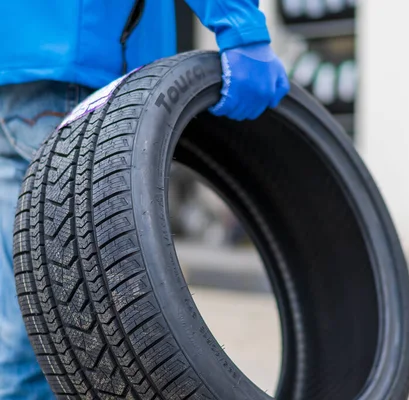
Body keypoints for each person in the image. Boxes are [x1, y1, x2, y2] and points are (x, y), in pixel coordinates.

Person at [0, 1, 289, 398]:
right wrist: (241, 27)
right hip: (86, 67)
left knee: (26, 329)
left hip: (18, 69)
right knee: (78, 334)